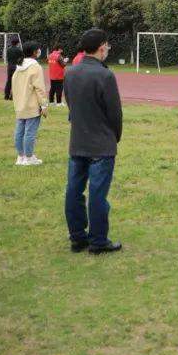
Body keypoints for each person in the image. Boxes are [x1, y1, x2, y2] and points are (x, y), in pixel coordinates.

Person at [64, 29, 123, 255]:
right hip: (101, 143)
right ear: (101, 47)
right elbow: (114, 113)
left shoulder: (71, 73)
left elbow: (70, 104)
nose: (107, 49)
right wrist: (113, 137)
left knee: (74, 190)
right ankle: (98, 241)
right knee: (98, 194)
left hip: (78, 140)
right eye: (106, 46)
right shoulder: (105, 76)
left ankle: (77, 237)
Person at [12, 41, 48, 166]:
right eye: (38, 49)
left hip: (20, 104)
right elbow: (39, 88)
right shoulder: (35, 67)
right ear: (34, 52)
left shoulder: (18, 66)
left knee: (19, 131)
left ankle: (20, 156)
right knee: (30, 132)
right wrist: (44, 105)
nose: (39, 51)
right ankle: (29, 157)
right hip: (32, 105)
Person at [4, 35, 22, 100]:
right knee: (15, 81)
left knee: (9, 81)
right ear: (17, 43)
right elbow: (22, 59)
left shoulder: (8, 50)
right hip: (16, 67)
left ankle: (6, 95)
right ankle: (12, 96)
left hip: (9, 66)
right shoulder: (19, 50)